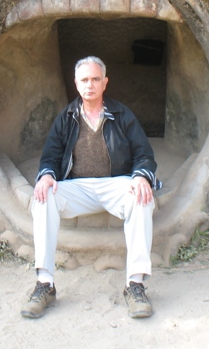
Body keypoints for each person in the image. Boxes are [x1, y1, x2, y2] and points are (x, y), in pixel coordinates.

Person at [22, 56, 160, 319]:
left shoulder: (122, 115)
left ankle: (135, 284)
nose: (90, 85)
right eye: (84, 80)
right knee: (42, 197)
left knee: (143, 197)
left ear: (105, 83)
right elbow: (49, 156)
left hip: (115, 184)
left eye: (96, 79)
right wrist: (47, 176)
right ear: (76, 84)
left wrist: (141, 177)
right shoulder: (66, 117)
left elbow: (145, 155)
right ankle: (45, 283)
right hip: (78, 187)